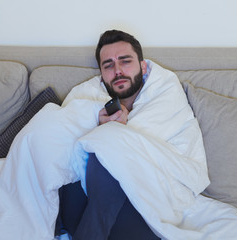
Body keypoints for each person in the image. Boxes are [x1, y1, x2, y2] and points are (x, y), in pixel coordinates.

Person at [56, 30, 161, 239]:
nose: (118, 71)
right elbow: (60, 144)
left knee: (111, 145)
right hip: (86, 198)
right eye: (108, 65)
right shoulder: (86, 97)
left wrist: (119, 133)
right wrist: (98, 127)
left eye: (125, 61)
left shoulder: (163, 97)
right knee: (103, 146)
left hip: (140, 201)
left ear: (142, 66)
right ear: (102, 76)